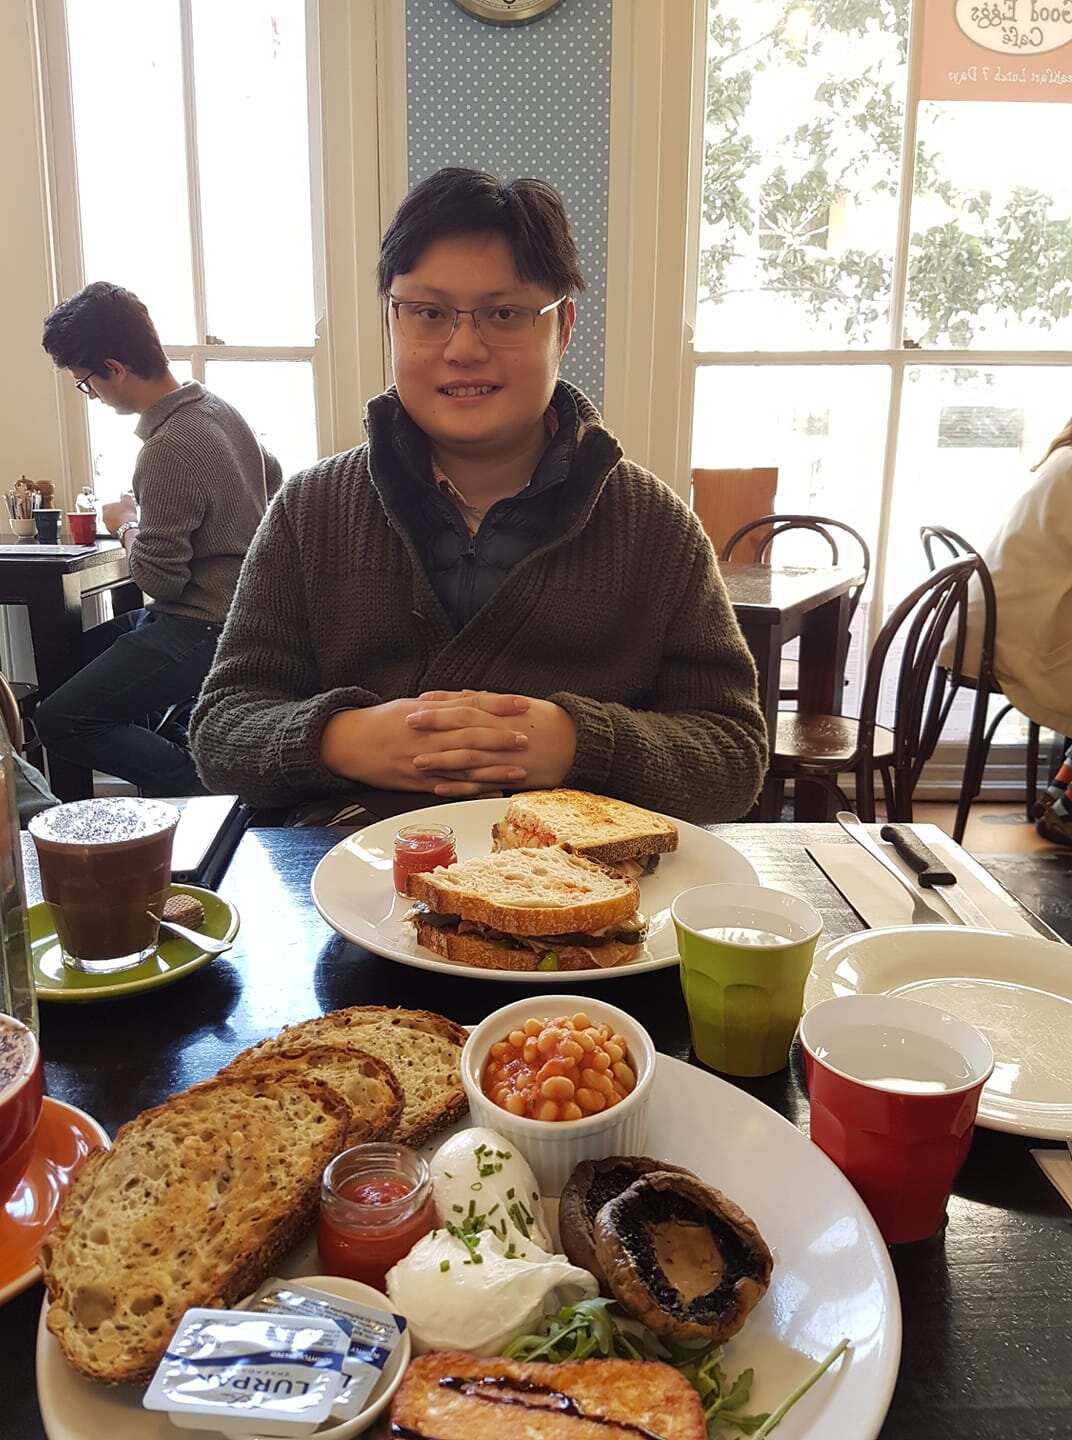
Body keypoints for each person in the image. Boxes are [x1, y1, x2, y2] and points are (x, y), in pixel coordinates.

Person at [190, 168, 767, 824]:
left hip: (578, 877)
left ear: (564, 326)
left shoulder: (654, 526)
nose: (463, 348)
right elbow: (222, 729)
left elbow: (733, 756)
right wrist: (342, 739)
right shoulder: (312, 510)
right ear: (393, 321)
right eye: (429, 314)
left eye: (505, 314)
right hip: (342, 869)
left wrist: (577, 745)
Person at [36, 282, 282, 796]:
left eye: (86, 382)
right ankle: (164, 788)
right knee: (72, 659)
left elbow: (158, 581)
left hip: (203, 624)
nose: (92, 394)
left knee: (60, 719)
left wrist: (126, 523)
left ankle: (209, 789)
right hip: (237, 612)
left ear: (115, 369)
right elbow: (273, 474)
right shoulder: (218, 408)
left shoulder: (168, 445)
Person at [956, 414, 1072, 845]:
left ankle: (1060, 795)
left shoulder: (1063, 457)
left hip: (998, 627)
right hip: (1019, 639)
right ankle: (1066, 807)